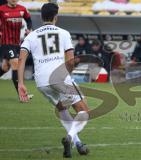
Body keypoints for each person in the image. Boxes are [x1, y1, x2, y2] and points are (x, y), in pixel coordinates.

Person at [18, 3, 89, 158]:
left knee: (62, 109)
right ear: (56, 16)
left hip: (41, 82)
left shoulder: (31, 35)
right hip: (59, 77)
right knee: (83, 110)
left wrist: (21, 83)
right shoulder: (63, 33)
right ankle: (70, 137)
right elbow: (70, 61)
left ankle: (78, 143)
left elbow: (21, 58)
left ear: (41, 17)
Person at [0, 0, 32, 98]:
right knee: (16, 65)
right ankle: (22, 95)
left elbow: (29, 20)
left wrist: (29, 29)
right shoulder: (1, 9)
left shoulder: (22, 9)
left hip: (16, 44)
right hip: (5, 43)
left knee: (5, 68)